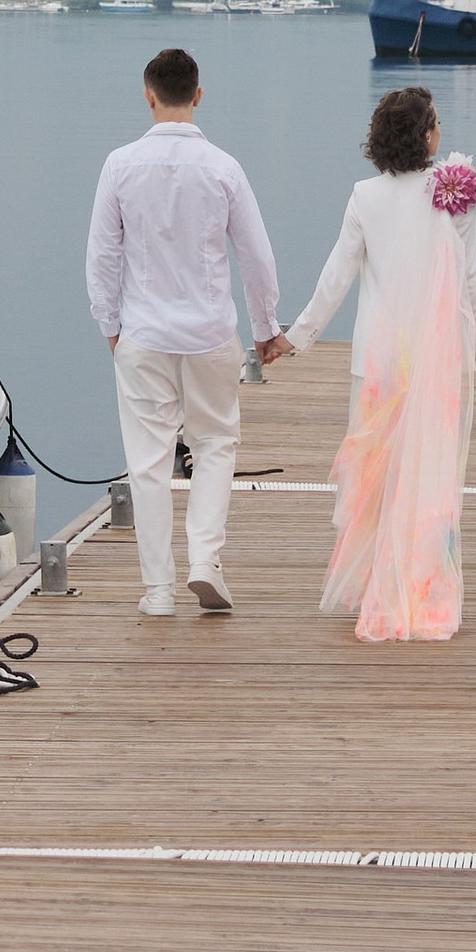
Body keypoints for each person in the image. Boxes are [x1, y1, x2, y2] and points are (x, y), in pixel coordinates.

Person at [277, 83, 476, 643]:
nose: (441, 131)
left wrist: (293, 338)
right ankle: (419, 587)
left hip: (377, 361)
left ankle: (374, 582)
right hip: (436, 356)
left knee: (373, 478)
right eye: (437, 122)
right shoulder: (452, 193)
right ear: (424, 135)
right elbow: (470, 277)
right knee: (427, 476)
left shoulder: (363, 196)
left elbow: (336, 277)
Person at [85, 46, 286, 619]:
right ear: (198, 95)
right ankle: (205, 560)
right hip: (210, 334)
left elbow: (102, 255)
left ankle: (158, 591)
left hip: (142, 334)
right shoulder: (224, 168)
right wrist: (266, 327)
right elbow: (256, 257)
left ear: (148, 94)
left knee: (147, 462)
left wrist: (110, 325)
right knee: (215, 445)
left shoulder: (120, 165)